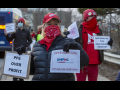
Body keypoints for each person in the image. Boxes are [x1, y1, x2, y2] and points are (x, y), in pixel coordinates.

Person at [29, 13, 89, 81]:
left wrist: (78, 48)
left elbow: (84, 62)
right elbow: (31, 70)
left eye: (55, 24)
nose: (52, 26)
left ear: (59, 26)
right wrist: (23, 56)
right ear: (44, 26)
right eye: (49, 24)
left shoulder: (68, 42)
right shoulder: (37, 45)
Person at [75, 9, 113, 81]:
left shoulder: (98, 30)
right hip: (82, 63)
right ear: (86, 18)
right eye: (91, 16)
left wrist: (108, 43)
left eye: (94, 16)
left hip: (94, 63)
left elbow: (101, 46)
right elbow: (74, 43)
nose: (93, 18)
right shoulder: (79, 30)